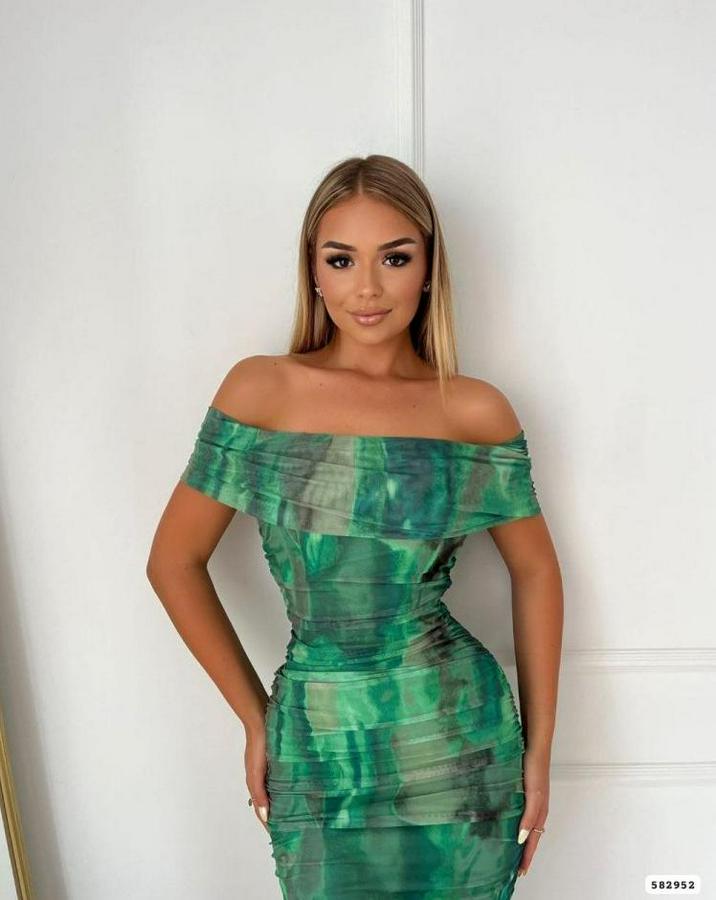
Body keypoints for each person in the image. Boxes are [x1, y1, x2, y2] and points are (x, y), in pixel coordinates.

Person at [146, 154, 563, 898]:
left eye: (394, 258)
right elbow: (173, 562)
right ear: (313, 270)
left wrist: (539, 753)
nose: (367, 288)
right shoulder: (260, 391)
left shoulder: (474, 410)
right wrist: (255, 720)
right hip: (316, 742)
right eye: (341, 259)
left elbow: (536, 571)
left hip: (457, 745)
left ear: (429, 269)